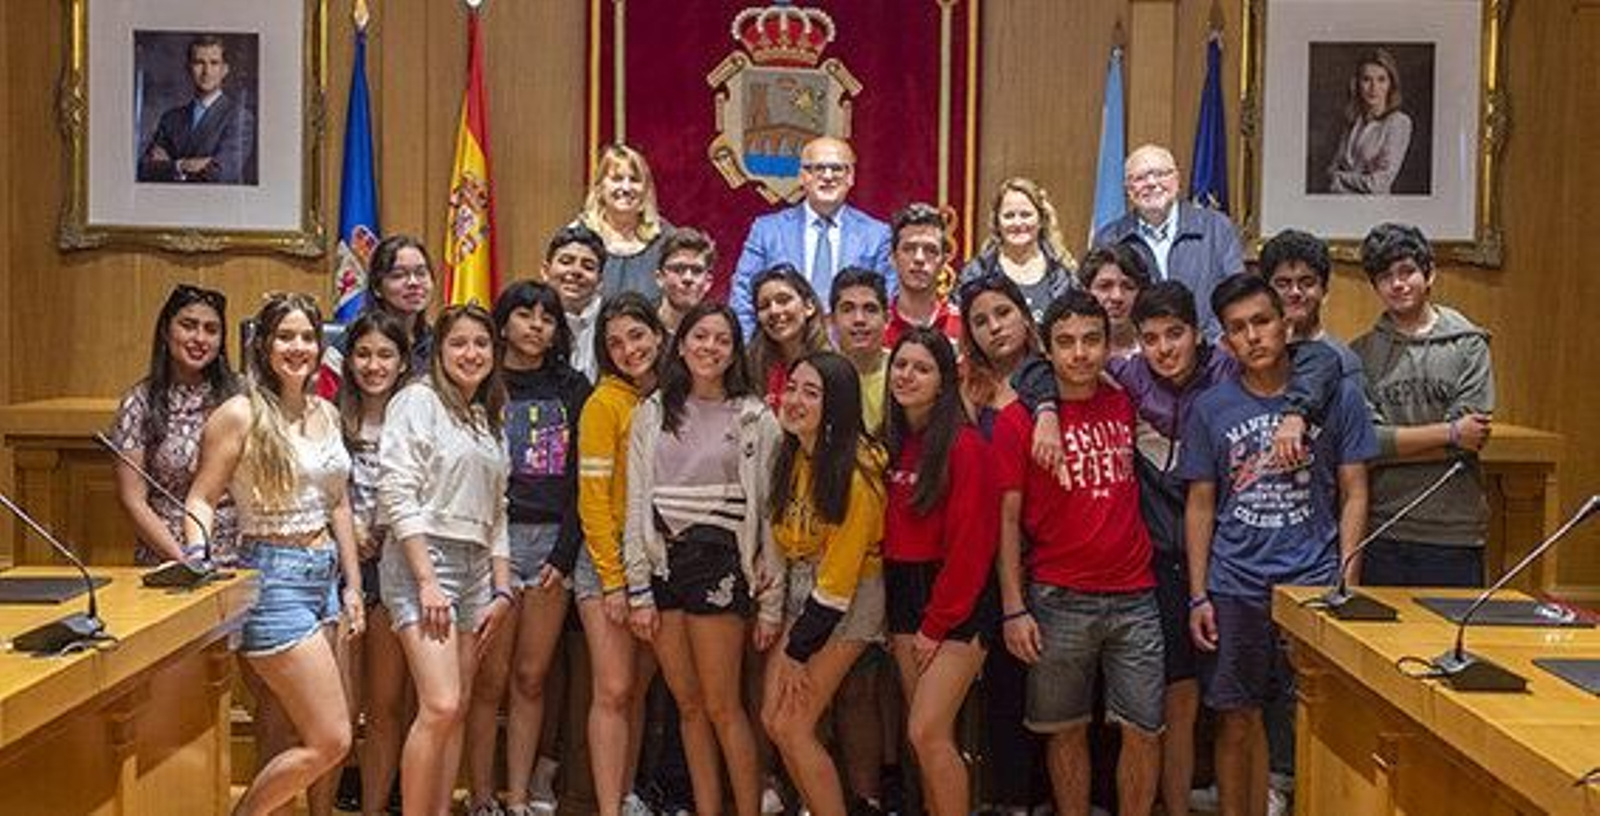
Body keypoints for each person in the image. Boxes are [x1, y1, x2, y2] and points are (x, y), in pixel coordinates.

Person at [1178, 275, 1377, 816]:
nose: (1254, 337)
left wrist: (1347, 581)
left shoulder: (1335, 397)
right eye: (1238, 329)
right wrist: (1198, 594)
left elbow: (1355, 490)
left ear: (1285, 323)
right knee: (1235, 717)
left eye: (1262, 322)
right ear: (1225, 341)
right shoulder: (1210, 406)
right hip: (1235, 583)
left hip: (1311, 581)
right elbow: (1200, 504)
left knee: (1315, 721)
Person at [183, 292, 363, 816]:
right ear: (263, 345)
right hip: (273, 577)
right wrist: (197, 553)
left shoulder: (326, 411)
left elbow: (339, 502)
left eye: (308, 336)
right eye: (285, 336)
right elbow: (201, 496)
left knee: (309, 731)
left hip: (324, 574)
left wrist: (353, 584)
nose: (299, 346)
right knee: (331, 738)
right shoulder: (239, 413)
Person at [994, 291, 1164, 816]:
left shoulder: (1124, 399)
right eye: (1065, 342)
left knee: (1143, 729)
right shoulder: (1019, 420)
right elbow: (1006, 520)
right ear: (1047, 350)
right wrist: (1013, 606)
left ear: (1109, 344)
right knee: (1064, 730)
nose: (1080, 353)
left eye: (1092, 340)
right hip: (1057, 596)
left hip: (1136, 594)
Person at [623, 302, 785, 816]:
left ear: (734, 350)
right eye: (700, 337)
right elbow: (635, 505)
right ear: (682, 342)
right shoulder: (653, 410)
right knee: (687, 706)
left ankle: (747, 807)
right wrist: (638, 587)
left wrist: (772, 602)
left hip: (720, 564)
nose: (709, 348)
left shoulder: (757, 416)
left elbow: (770, 517)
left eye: (722, 339)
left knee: (722, 705)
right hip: (664, 566)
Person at [377, 304, 516, 816]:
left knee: (455, 710)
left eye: (481, 344)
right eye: (459, 343)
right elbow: (397, 492)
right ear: (438, 350)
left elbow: (497, 512)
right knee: (437, 705)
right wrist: (427, 580)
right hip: (424, 559)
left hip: (478, 569)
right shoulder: (417, 400)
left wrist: (502, 590)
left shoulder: (486, 417)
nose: (471, 353)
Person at [464, 282, 593, 816]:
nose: (536, 324)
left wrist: (564, 555)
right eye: (525, 314)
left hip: (551, 542)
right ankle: (481, 796)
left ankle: (518, 797)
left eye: (547, 316)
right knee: (488, 679)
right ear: (504, 322)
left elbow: (586, 479)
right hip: (491, 540)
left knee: (531, 676)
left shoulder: (573, 386)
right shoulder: (479, 381)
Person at [763, 352, 889, 816]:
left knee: (793, 726)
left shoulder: (856, 475)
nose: (794, 400)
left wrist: (799, 649)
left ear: (835, 405)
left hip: (847, 602)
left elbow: (838, 584)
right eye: (791, 387)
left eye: (810, 393)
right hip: (806, 593)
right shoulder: (796, 452)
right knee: (773, 720)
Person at [881, 327, 1000, 816]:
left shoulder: (964, 446)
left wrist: (936, 624)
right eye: (902, 365)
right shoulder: (891, 440)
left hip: (955, 602)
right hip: (903, 593)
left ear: (944, 380)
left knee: (925, 730)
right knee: (928, 738)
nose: (908, 375)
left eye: (922, 368)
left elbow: (972, 549)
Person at [1353, 223, 1495, 587]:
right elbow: (1366, 444)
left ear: (1429, 273)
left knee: (1448, 643)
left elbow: (1473, 438)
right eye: (1385, 277)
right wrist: (1449, 435)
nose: (1398, 284)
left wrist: (1392, 445)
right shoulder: (1361, 354)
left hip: (1455, 528)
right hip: (1383, 526)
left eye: (1407, 272)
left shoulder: (1469, 344)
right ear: (1375, 286)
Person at [577, 293, 669, 816]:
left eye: (636, 336)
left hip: (657, 565)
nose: (628, 349)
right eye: (614, 343)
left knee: (638, 692)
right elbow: (593, 500)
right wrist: (613, 581)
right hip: (605, 563)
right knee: (612, 688)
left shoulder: (673, 397)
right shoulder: (603, 403)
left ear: (657, 334)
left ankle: (628, 794)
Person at [334, 310, 414, 816]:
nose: (373, 364)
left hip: (397, 566)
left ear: (403, 363)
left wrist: (388, 530)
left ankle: (375, 805)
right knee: (342, 708)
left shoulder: (418, 415)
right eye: (363, 353)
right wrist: (351, 534)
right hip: (340, 569)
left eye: (385, 354)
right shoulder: (328, 415)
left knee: (385, 707)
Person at [111, 283, 241, 566]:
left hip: (241, 558)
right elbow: (132, 500)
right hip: (168, 558)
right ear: (166, 331)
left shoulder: (241, 396)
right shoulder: (139, 403)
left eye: (211, 329)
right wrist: (185, 561)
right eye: (188, 325)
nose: (200, 338)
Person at [732, 136, 894, 335]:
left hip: (851, 356)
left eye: (837, 169)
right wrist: (751, 356)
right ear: (802, 176)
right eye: (818, 168)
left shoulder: (877, 234)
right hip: (782, 354)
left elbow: (886, 302)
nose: (828, 176)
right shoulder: (767, 230)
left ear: (850, 176)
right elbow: (743, 297)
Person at [1094, 144, 1245, 340]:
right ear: (1128, 189)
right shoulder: (1109, 238)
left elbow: (1237, 296)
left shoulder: (1217, 227)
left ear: (1177, 179)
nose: (1151, 183)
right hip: (1140, 359)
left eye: (1161, 174)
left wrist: (1209, 342)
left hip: (1210, 355)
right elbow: (1101, 307)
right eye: (1140, 178)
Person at [317, 234, 436, 399]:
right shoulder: (343, 349)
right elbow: (326, 412)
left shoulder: (439, 345)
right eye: (399, 275)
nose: (414, 282)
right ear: (377, 288)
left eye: (421, 273)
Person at [138, 34, 257, 184]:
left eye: (214, 63)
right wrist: (181, 166)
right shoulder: (170, 118)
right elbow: (145, 169)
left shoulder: (239, 117)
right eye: (199, 63)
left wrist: (170, 166)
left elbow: (220, 175)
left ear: (224, 70)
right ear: (189, 68)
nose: (206, 72)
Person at [959, 177, 1077, 323]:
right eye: (1009, 216)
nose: (1018, 223)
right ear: (997, 223)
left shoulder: (1062, 274)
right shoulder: (976, 272)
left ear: (1041, 220)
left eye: (1026, 215)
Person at [1257, 229, 1365, 383]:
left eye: (1306, 283)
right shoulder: (1251, 356)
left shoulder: (1344, 362)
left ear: (1325, 290)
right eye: (1283, 284)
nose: (1295, 292)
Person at [578, 144, 673, 300]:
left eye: (635, 180)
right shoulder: (577, 237)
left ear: (646, 189)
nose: (626, 187)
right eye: (617, 179)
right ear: (600, 186)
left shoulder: (668, 240)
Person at [1327, 49, 1413, 195]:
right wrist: (1340, 178)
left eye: (1381, 79)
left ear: (1391, 84)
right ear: (1357, 84)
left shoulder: (1398, 123)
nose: (1374, 88)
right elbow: (1330, 170)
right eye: (1366, 79)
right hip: (1340, 207)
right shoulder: (1353, 121)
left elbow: (1379, 184)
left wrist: (1340, 178)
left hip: (1375, 211)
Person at [748, 264, 831, 409]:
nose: (773, 310)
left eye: (783, 300)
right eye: (764, 306)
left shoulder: (832, 366)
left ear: (809, 306)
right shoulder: (750, 367)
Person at [883, 203, 962, 348]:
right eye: (909, 249)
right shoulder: (877, 327)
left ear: (944, 262)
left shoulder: (963, 327)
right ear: (893, 258)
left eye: (930, 250)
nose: (919, 258)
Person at [545, 224, 610, 382]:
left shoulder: (613, 320)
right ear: (545, 271)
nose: (575, 272)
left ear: (600, 281)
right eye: (566, 262)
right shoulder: (529, 321)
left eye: (588, 266)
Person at [830, 268, 891, 430]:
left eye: (870, 309)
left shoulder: (902, 371)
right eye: (848, 309)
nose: (859, 319)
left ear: (887, 318)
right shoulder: (818, 376)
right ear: (832, 321)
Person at [1078, 244, 1153, 360]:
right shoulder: (1075, 355)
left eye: (1128, 286)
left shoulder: (1156, 351)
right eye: (1105, 286)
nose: (1117, 297)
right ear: (1085, 291)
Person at [654, 227, 717, 334]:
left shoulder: (718, 334)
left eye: (697, 271)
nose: (688, 278)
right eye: (678, 269)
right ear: (660, 278)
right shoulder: (639, 328)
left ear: (708, 282)